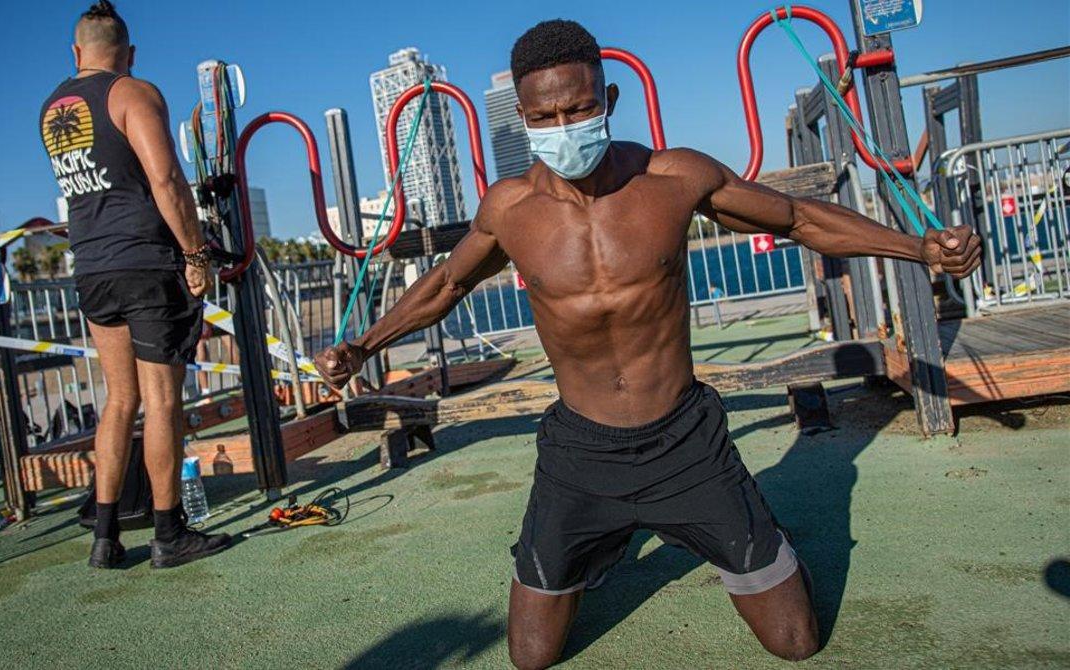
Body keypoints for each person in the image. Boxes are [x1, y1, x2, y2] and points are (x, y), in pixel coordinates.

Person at [315, 19, 981, 668]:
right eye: (544, 117)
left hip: (685, 441)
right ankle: (599, 540)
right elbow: (445, 285)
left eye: (578, 109)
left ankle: (725, 529)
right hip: (580, 452)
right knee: (530, 656)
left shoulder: (673, 179)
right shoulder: (509, 210)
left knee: (795, 639)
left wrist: (919, 249)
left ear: (607, 101)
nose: (562, 128)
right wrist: (365, 346)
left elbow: (801, 219)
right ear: (522, 116)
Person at [38, 0, 230, 569]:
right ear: (130, 54)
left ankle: (105, 537)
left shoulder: (53, 108)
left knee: (119, 400)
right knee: (162, 401)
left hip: (91, 267)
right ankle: (170, 535)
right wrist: (197, 254)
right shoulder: (132, 93)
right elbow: (166, 179)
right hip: (145, 263)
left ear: (76, 52)